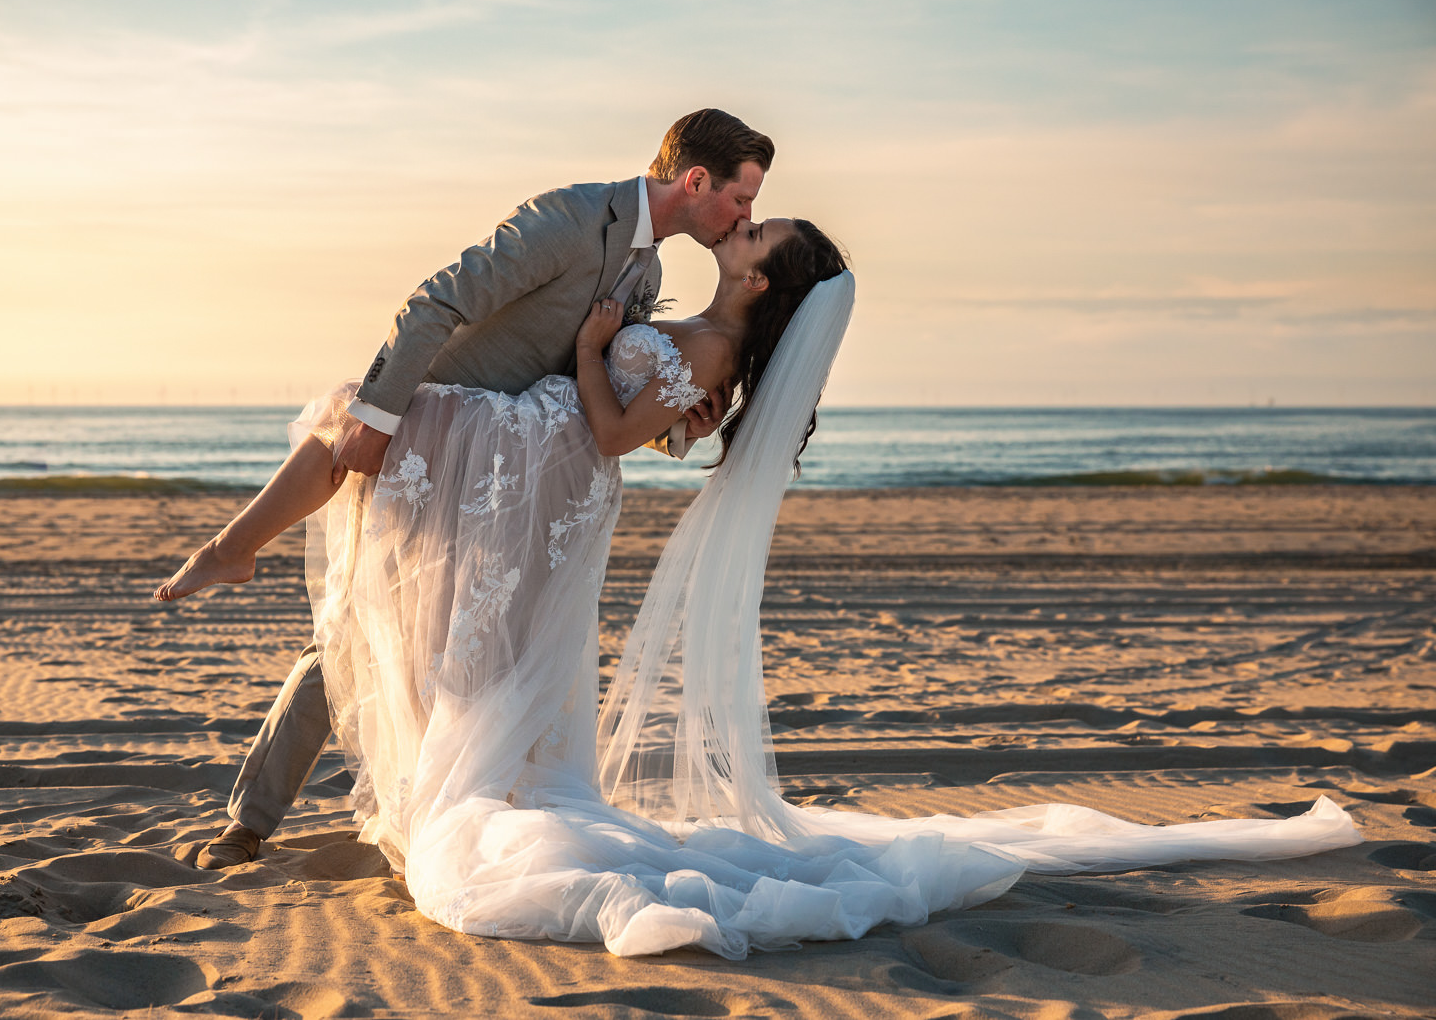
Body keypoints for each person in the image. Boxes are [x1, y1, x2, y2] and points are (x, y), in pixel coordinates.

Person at [163, 214, 1361, 959]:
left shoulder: (713, 350)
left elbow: (620, 433)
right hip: (528, 485)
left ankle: (247, 593)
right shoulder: (697, 328)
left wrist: (586, 355)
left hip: (550, 483)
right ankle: (255, 630)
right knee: (422, 633)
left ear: (759, 282)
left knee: (429, 642)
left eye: (751, 237)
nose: (735, 235)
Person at [157, 108, 773, 870]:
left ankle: (457, 810)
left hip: (515, 481)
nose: (746, 215)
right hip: (441, 441)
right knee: (355, 629)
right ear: (697, 180)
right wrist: (383, 418)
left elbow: (591, 388)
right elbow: (437, 302)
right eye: (742, 199)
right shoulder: (574, 216)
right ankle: (248, 817)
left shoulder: (646, 272)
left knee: (454, 653)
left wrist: (676, 428)